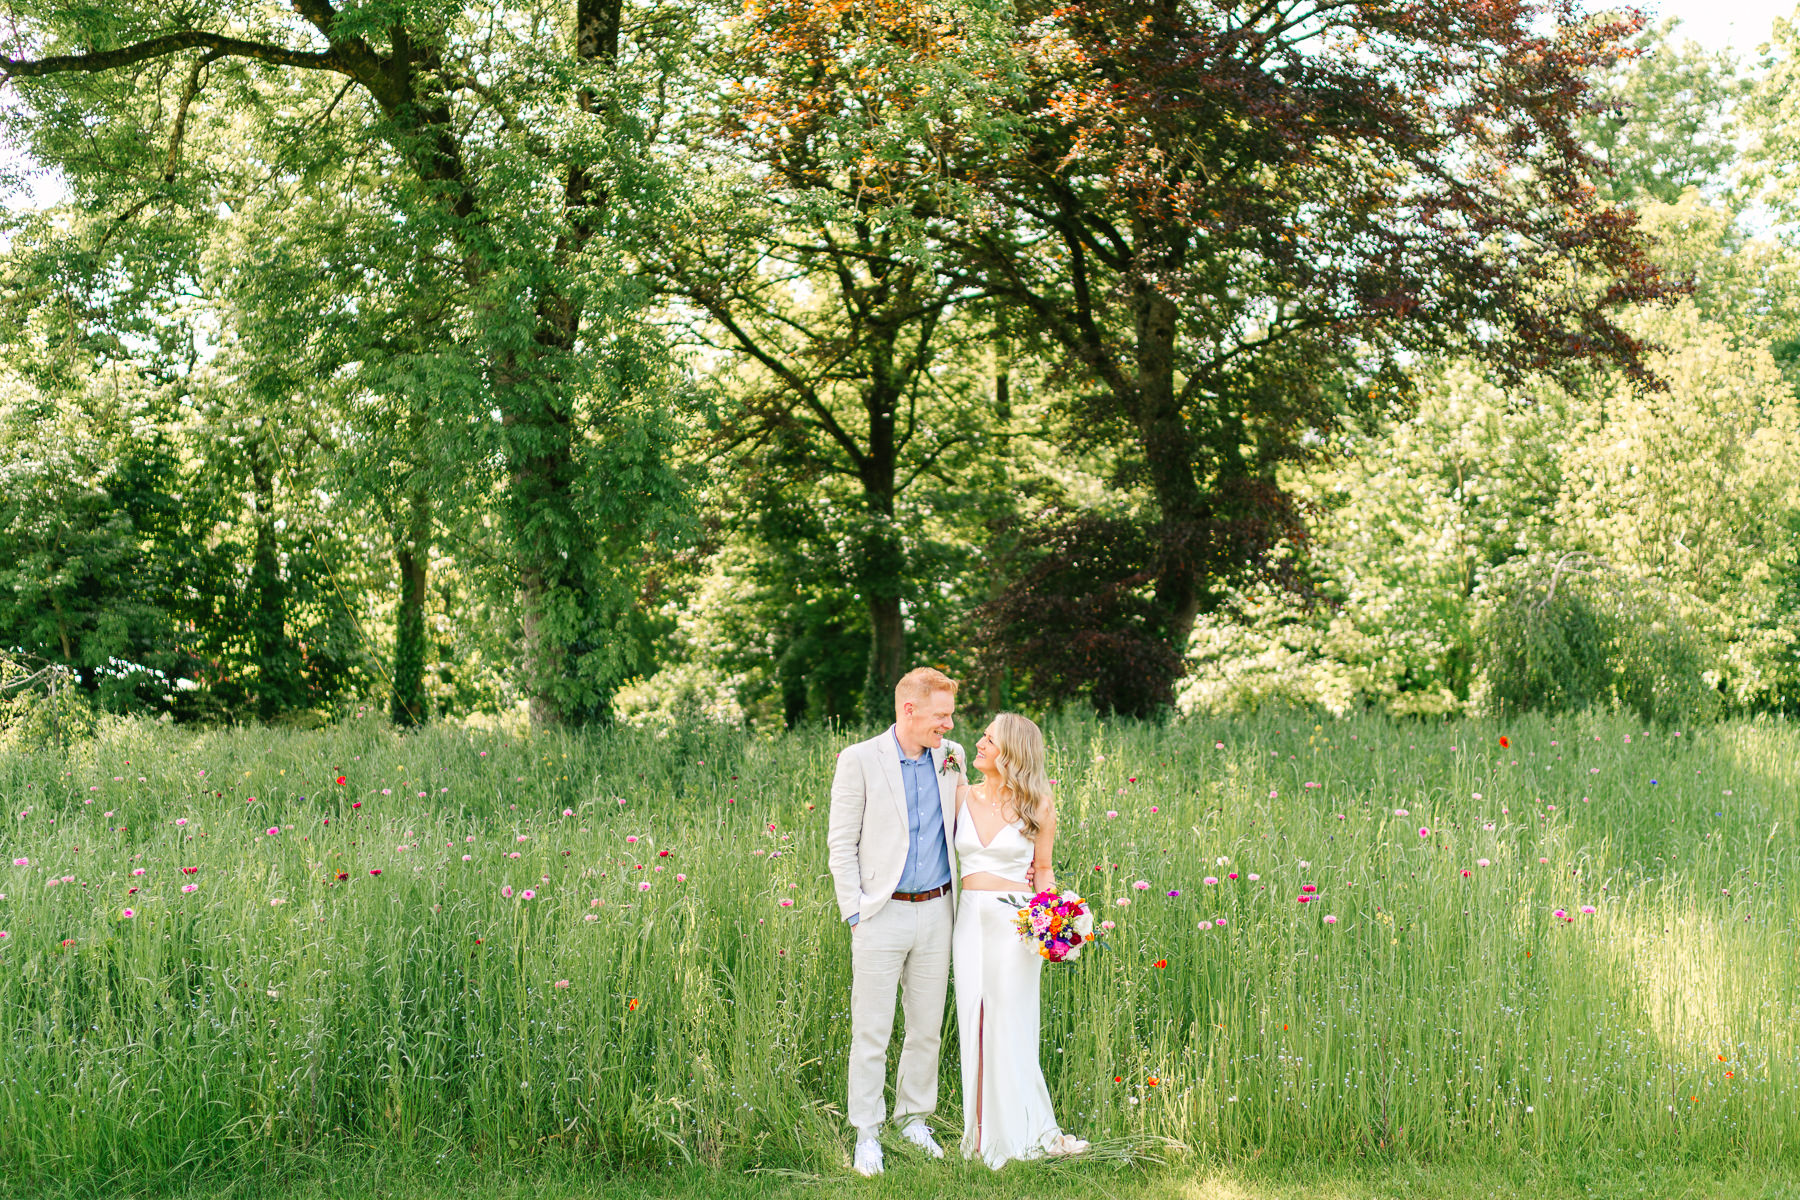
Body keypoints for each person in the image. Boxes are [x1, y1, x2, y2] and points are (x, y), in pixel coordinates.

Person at [827, 667, 966, 1176]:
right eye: (941, 715)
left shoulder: (953, 759)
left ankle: (914, 1120)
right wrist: (856, 913)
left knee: (926, 1027)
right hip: (880, 914)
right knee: (872, 1029)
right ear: (910, 709)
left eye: (949, 715)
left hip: (938, 911)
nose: (948, 725)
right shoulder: (859, 759)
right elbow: (840, 845)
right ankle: (867, 1131)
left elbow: (965, 826)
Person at [953, 712, 1089, 1167]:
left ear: (1010, 752)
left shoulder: (1039, 805)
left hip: (1016, 926)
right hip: (968, 920)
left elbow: (1044, 870)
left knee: (1010, 1023)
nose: (979, 743)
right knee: (973, 1018)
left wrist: (1055, 926)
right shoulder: (959, 797)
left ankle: (1019, 1133)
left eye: (988, 739)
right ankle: (979, 1136)